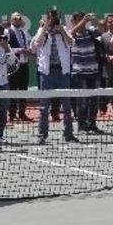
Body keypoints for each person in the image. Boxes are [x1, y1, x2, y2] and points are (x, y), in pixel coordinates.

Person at [32, 9, 78, 145]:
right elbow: (36, 45)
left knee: (67, 106)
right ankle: (42, 134)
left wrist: (62, 31)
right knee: (44, 107)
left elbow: (72, 43)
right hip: (47, 73)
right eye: (51, 18)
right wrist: (44, 28)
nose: (53, 20)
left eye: (55, 18)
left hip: (63, 72)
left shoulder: (63, 30)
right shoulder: (42, 30)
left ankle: (69, 134)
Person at [70, 12, 104, 134]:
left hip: (93, 71)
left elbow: (101, 30)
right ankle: (82, 125)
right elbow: (72, 32)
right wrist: (84, 21)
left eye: (83, 20)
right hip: (80, 72)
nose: (83, 23)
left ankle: (92, 124)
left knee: (94, 101)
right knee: (82, 101)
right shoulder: (71, 35)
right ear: (74, 21)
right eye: (79, 20)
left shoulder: (90, 33)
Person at [6, 12, 33, 122]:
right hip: (13, 65)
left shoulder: (24, 32)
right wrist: (19, 50)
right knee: (12, 90)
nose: (18, 20)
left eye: (19, 18)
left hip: (24, 65)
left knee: (23, 90)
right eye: (15, 19)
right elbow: (5, 49)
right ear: (11, 20)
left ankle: (22, 113)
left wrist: (30, 50)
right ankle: (12, 115)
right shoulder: (7, 32)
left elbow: (31, 44)